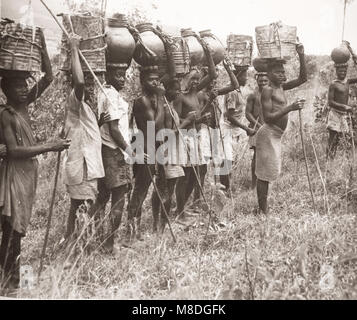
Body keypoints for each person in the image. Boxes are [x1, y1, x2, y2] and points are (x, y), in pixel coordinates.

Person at [0, 29, 70, 290]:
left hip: (28, 174)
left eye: (24, 84)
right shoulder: (7, 114)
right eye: (16, 85)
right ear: (5, 87)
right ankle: (12, 282)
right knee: (12, 229)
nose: (22, 88)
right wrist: (50, 146)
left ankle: (12, 278)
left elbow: (49, 77)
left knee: (17, 229)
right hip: (14, 173)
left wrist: (41, 43)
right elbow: (14, 151)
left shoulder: (25, 104)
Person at [126, 29, 176, 245]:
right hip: (143, 146)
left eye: (157, 79)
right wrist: (162, 100)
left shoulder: (157, 97)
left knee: (162, 186)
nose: (156, 82)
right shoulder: (142, 101)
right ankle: (131, 232)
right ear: (143, 81)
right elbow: (153, 127)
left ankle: (157, 225)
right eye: (151, 80)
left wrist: (166, 45)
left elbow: (172, 75)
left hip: (159, 146)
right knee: (141, 189)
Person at [89, 62, 135, 253]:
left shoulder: (105, 92)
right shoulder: (110, 95)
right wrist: (130, 150)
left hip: (106, 150)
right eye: (117, 75)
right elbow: (114, 129)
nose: (122, 78)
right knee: (118, 198)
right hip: (114, 151)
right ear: (108, 74)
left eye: (124, 74)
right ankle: (108, 244)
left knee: (103, 198)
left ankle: (98, 239)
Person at [256, 43, 307, 215]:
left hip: (276, 136)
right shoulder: (268, 91)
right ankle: (262, 211)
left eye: (283, 72)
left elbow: (302, 79)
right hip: (267, 134)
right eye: (279, 72)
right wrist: (290, 108)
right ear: (269, 74)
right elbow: (268, 118)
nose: (283, 75)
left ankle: (264, 208)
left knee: (269, 172)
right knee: (263, 175)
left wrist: (301, 54)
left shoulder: (281, 87)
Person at [63, 34, 105, 240]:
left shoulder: (86, 107)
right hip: (82, 168)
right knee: (83, 208)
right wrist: (74, 48)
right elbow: (78, 83)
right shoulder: (75, 99)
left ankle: (69, 240)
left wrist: (100, 123)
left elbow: (87, 131)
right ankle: (79, 247)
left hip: (86, 167)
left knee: (76, 207)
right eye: (86, 81)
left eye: (92, 81)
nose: (89, 86)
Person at [174, 34, 217, 220]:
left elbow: (213, 75)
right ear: (185, 79)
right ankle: (180, 210)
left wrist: (208, 52)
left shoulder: (198, 95)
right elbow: (178, 122)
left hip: (197, 138)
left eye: (197, 79)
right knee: (184, 177)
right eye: (191, 79)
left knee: (194, 176)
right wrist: (193, 120)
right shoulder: (180, 97)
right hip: (185, 139)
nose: (195, 82)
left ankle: (183, 208)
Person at [193, 58, 240, 207]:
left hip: (215, 131)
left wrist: (228, 69)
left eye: (215, 81)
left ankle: (220, 193)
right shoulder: (200, 95)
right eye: (211, 81)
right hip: (204, 131)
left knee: (217, 162)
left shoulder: (215, 92)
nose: (214, 84)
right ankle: (197, 199)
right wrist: (210, 100)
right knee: (202, 166)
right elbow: (196, 117)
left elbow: (235, 85)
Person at [216, 65, 256, 195]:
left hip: (234, 130)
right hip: (227, 129)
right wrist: (245, 128)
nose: (246, 78)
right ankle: (224, 190)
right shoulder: (232, 92)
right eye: (244, 75)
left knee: (230, 159)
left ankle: (225, 188)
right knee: (227, 159)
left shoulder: (238, 90)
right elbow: (229, 115)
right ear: (237, 76)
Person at [151, 78, 183, 233]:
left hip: (172, 152)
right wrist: (186, 123)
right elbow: (163, 135)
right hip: (166, 153)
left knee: (161, 188)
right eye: (174, 89)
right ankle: (160, 225)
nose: (177, 92)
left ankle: (158, 224)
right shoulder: (164, 107)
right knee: (166, 190)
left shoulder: (169, 107)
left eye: (179, 89)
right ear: (166, 89)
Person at [327, 49, 357, 158]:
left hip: (344, 115)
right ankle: (329, 161)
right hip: (335, 114)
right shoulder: (333, 84)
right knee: (333, 138)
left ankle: (346, 161)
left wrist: (354, 56)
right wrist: (344, 106)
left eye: (344, 71)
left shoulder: (348, 81)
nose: (342, 73)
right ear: (336, 71)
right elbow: (330, 102)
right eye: (340, 71)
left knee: (344, 137)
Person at [245, 67, 269, 189]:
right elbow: (247, 113)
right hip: (257, 129)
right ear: (257, 81)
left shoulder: (272, 94)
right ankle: (254, 184)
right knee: (257, 156)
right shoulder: (253, 96)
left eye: (265, 81)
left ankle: (264, 181)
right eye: (261, 81)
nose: (263, 83)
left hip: (270, 129)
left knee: (267, 155)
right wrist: (258, 125)